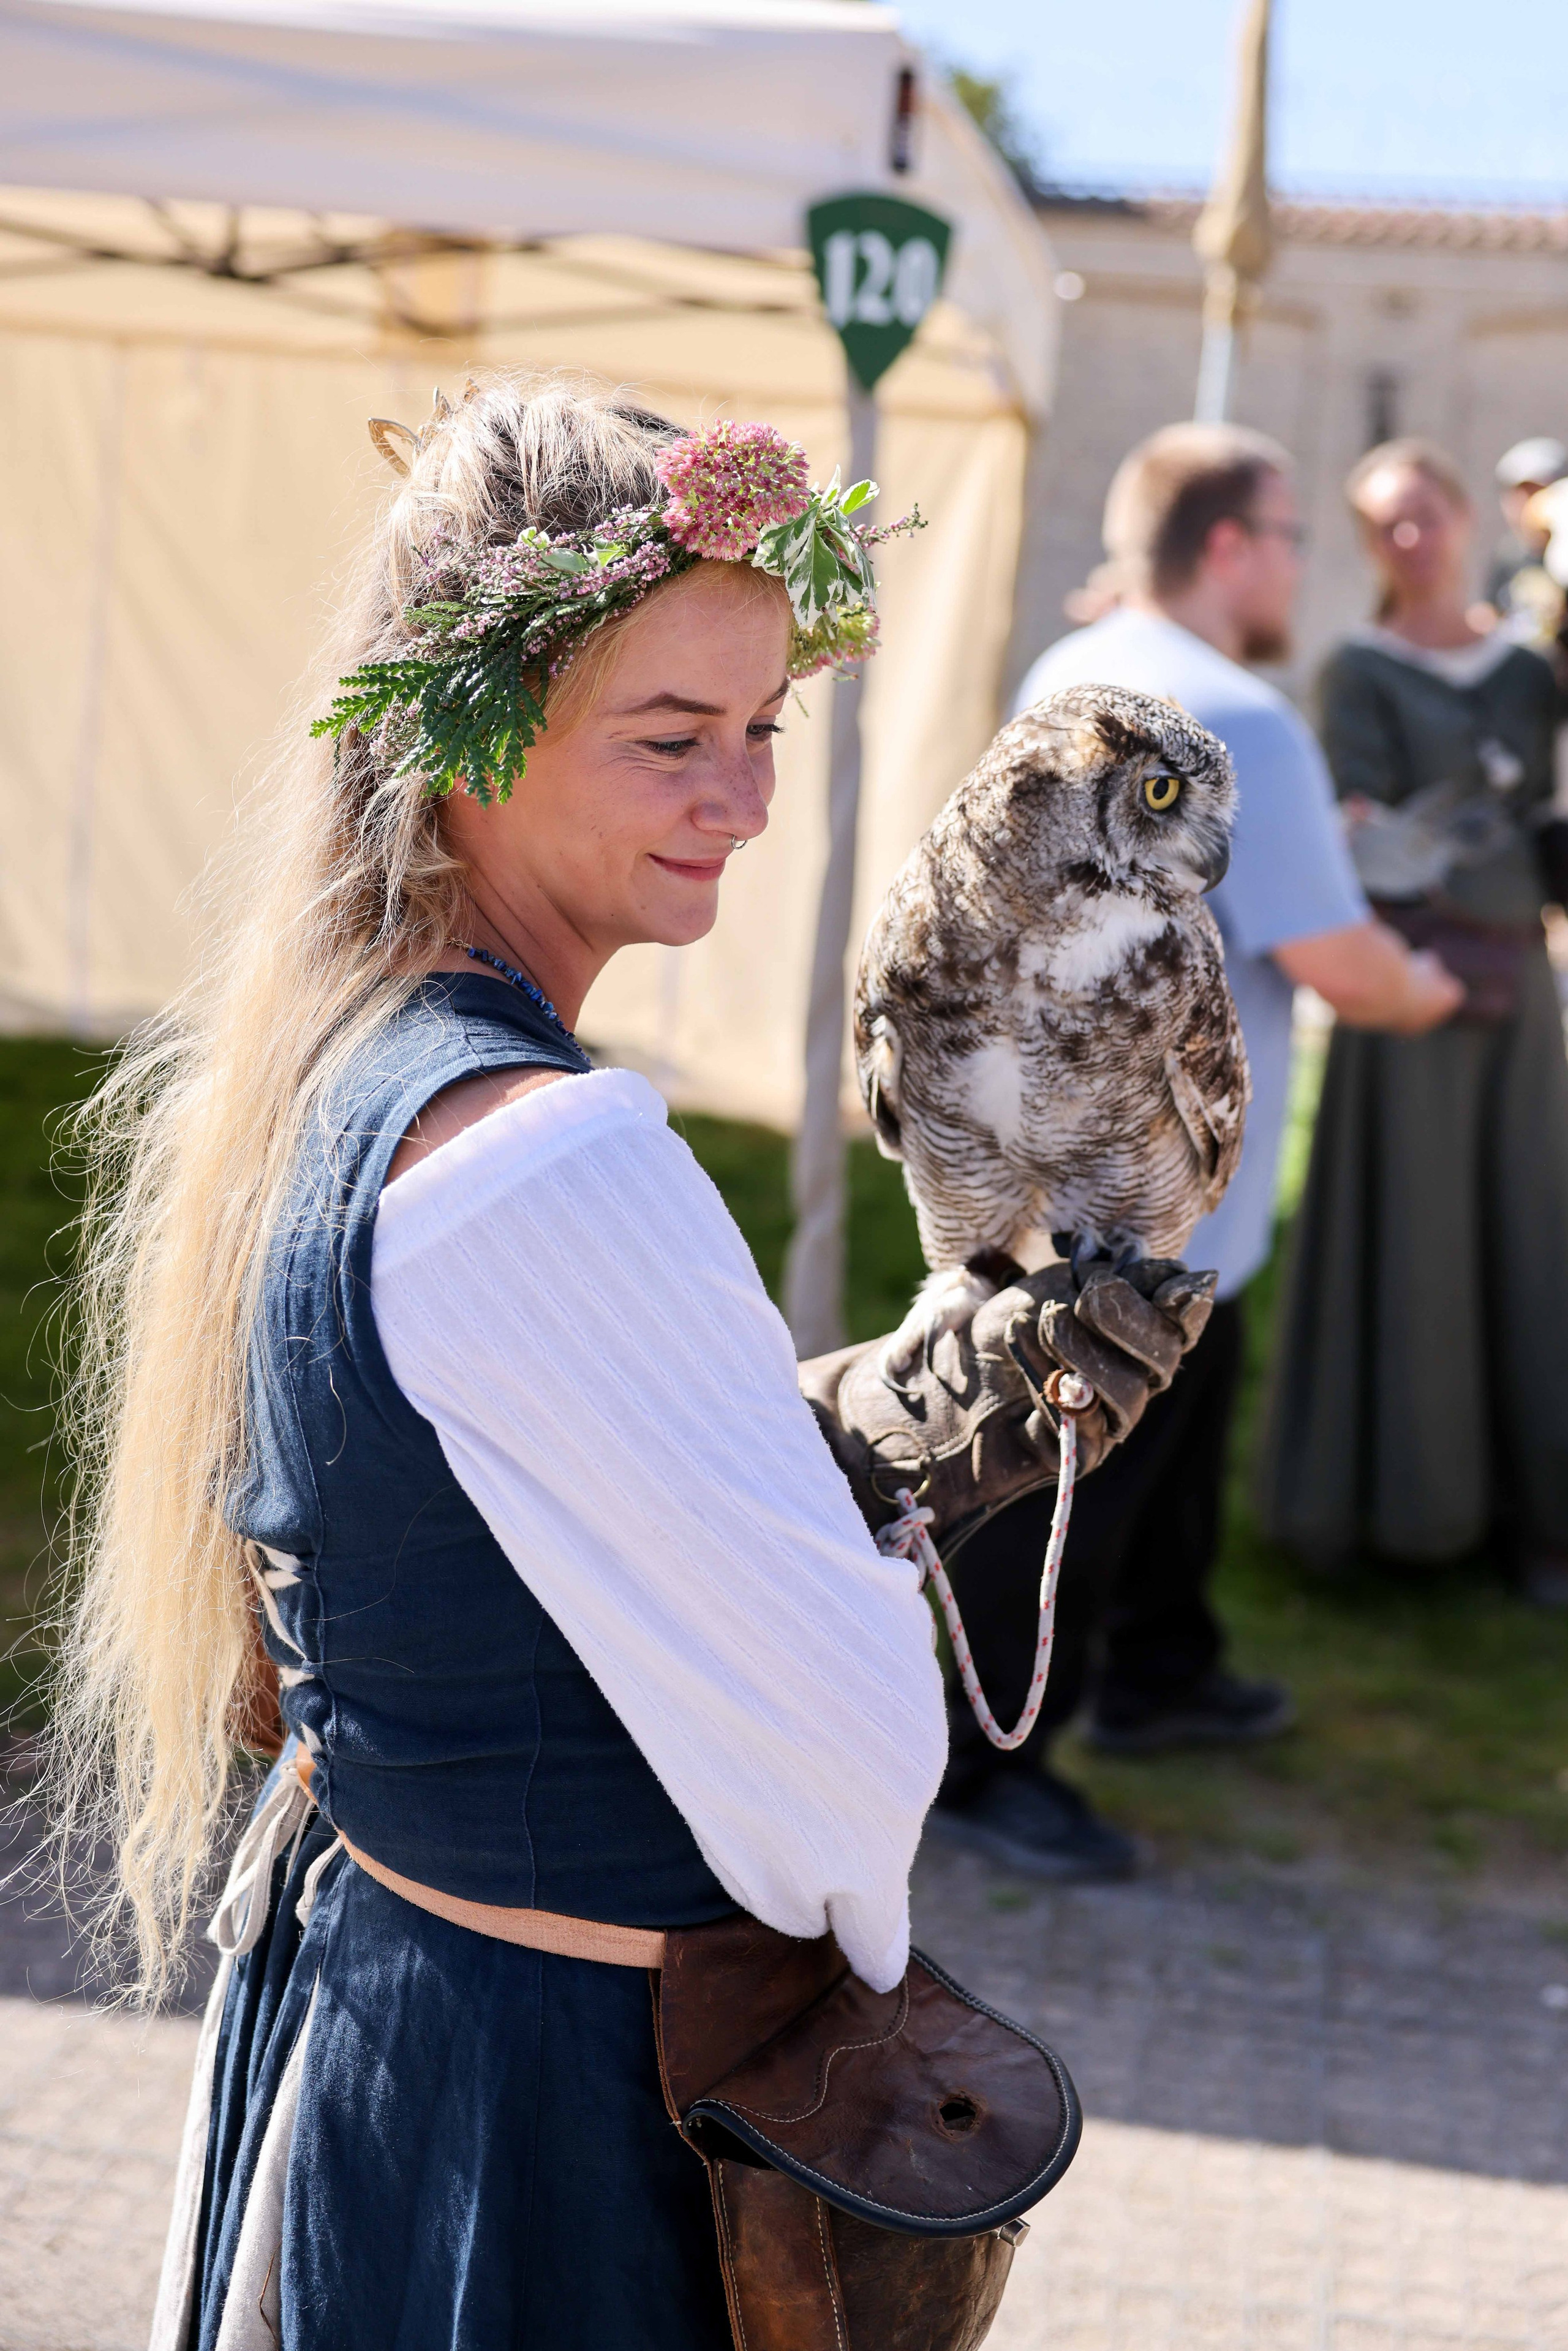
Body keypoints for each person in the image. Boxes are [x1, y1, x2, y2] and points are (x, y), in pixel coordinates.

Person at [46, 377, 1207, 2345]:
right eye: (672, 737)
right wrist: (853, 1526)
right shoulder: (552, 1155)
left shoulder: (347, 1056)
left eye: (764, 730)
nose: (743, 801)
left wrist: (803, 1442)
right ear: (469, 732)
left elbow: (475, 1514)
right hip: (544, 2114)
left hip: (398, 2031)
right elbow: (847, 1781)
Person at [928, 423, 1463, 1882]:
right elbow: (1342, 963)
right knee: (1073, 1481)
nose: (1300, 564)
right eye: (1289, 535)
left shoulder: (1076, 666)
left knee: (1170, 1429)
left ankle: (1162, 1669)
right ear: (1227, 546)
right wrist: (1430, 987)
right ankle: (978, 1766)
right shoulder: (1243, 722)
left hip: (1059, 1146)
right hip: (1152, 1190)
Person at [1256, 437, 1568, 1602]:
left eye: (1425, 512)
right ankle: (1399, 1510)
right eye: (1386, 522)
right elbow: (1374, 845)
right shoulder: (1358, 670)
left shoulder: (1531, 667)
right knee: (1416, 1235)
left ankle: (1538, 1519)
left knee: (1530, 1236)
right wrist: (1461, 840)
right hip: (1409, 988)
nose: (1411, 537)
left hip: (1519, 991)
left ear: (1465, 515)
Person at [1481, 435, 1567, 646]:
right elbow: (1490, 613)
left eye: (1538, 492)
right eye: (1521, 494)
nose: (1528, 503)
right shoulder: (1509, 555)